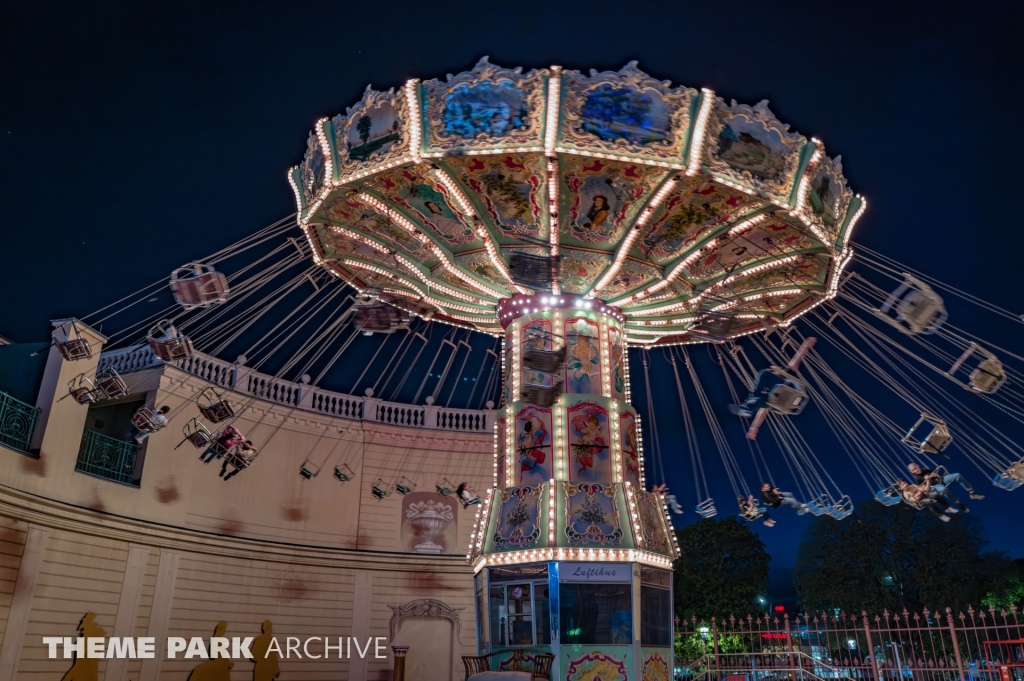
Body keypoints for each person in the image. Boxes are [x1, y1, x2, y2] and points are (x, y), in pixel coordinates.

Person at [908, 463, 984, 504]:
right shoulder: (917, 479)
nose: (916, 470)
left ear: (918, 466)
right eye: (913, 470)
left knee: (957, 475)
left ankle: (972, 493)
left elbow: (936, 475)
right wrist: (927, 480)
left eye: (915, 468)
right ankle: (957, 501)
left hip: (940, 479)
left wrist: (935, 475)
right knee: (944, 490)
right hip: (934, 485)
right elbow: (926, 489)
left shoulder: (925, 469)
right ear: (912, 472)